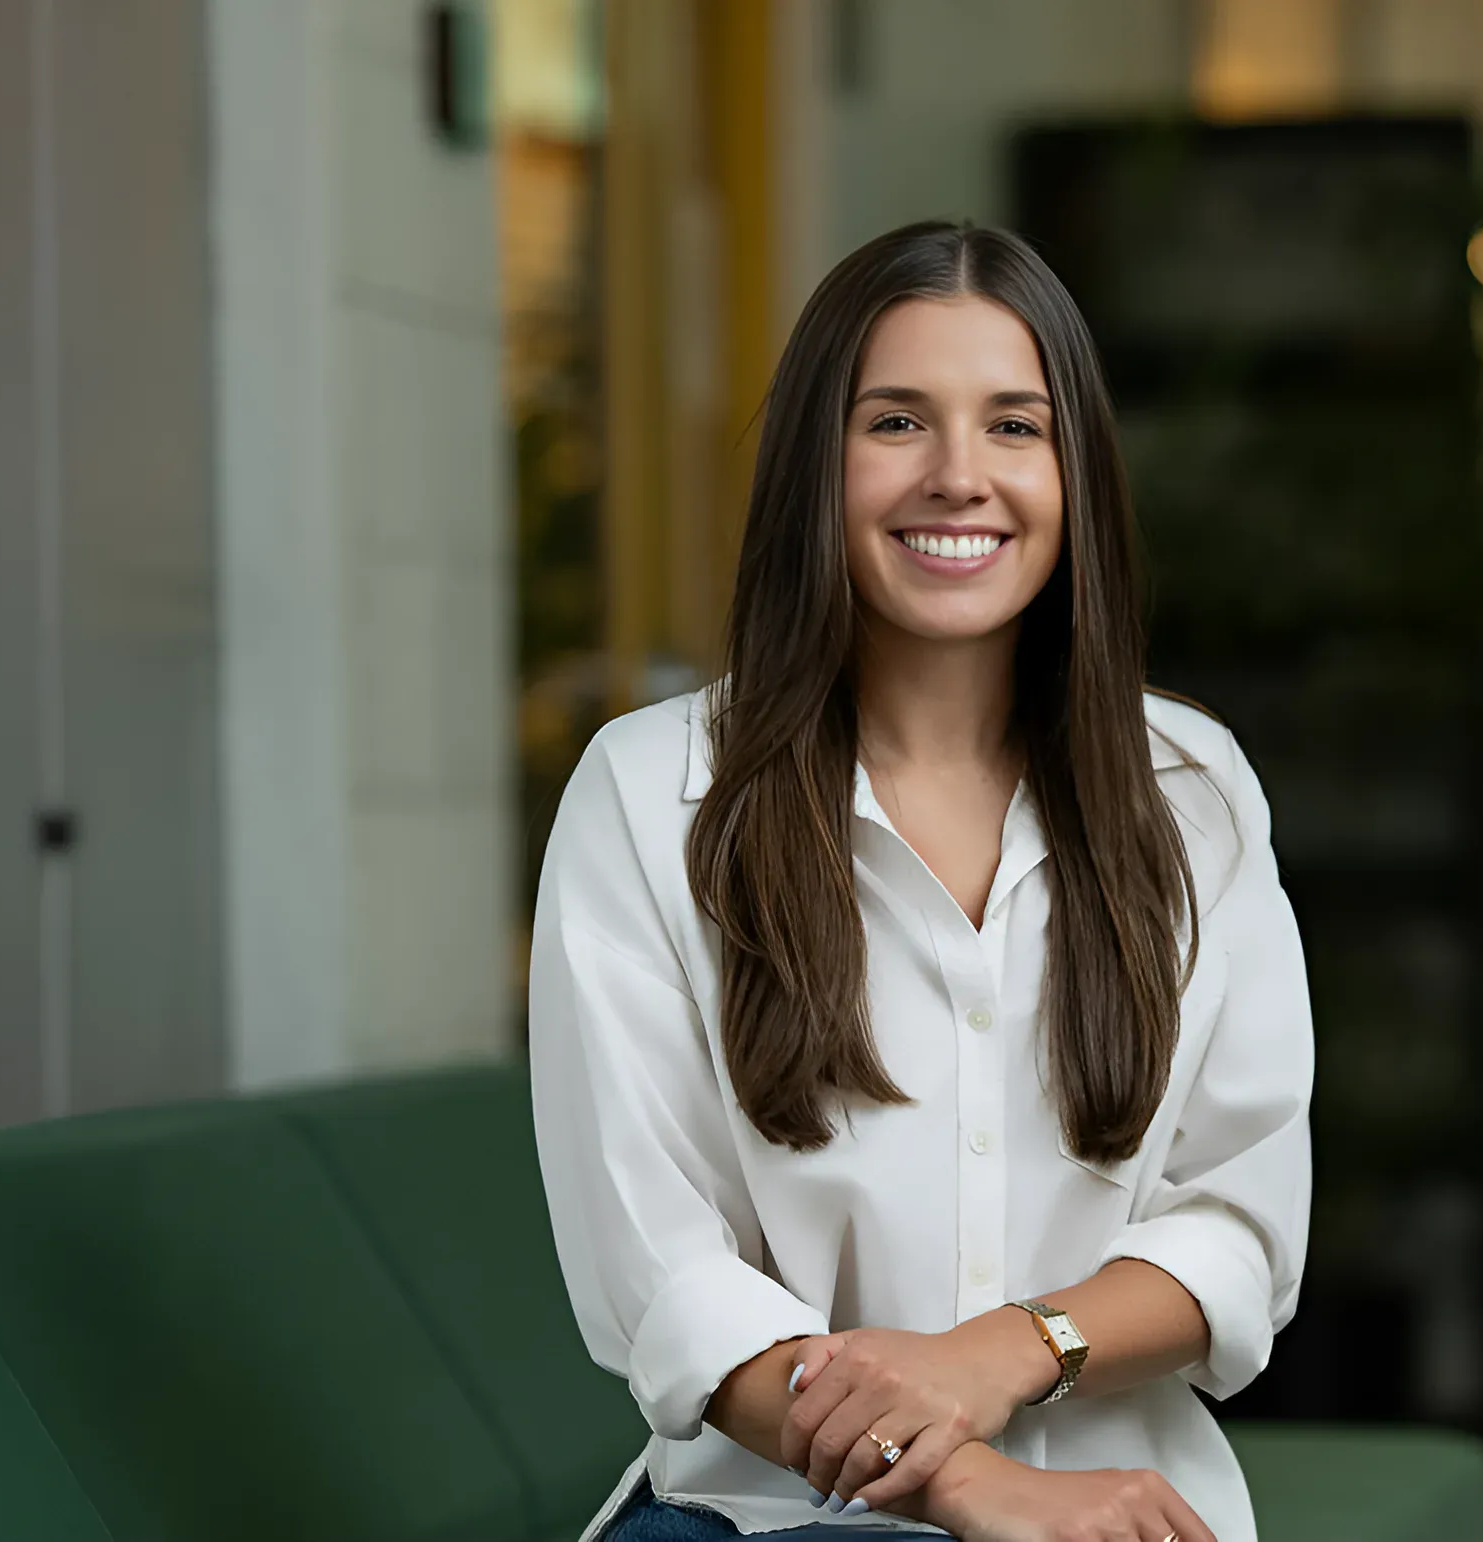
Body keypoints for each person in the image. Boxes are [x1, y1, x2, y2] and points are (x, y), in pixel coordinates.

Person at [530, 221, 1312, 1542]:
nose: (961, 477)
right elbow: (665, 1277)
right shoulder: (647, 795)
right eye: (897, 422)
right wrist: (966, 1478)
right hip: (770, 1518)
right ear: (813, 467)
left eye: (1016, 426)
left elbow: (1240, 1219)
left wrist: (1004, 1351)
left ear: (1076, 472)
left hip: (1129, 1505)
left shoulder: (1195, 789)